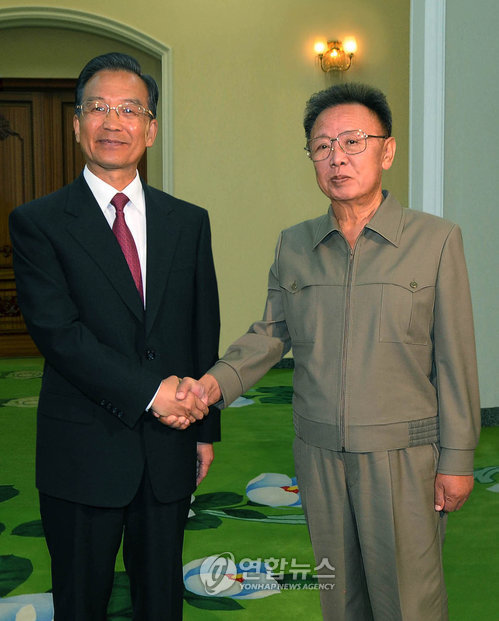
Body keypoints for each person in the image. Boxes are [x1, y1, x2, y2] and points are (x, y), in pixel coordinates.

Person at [177, 83, 480, 620]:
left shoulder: (434, 241)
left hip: (403, 456)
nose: (337, 158)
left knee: (409, 601)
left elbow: (456, 360)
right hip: (318, 456)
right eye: (322, 146)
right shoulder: (295, 245)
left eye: (353, 142)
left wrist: (457, 459)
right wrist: (211, 385)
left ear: (387, 151)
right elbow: (269, 334)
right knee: (338, 597)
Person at [9, 52, 220, 620]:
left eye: (130, 110)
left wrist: (205, 430)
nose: (113, 122)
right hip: (83, 450)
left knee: (162, 599)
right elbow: (59, 334)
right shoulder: (38, 222)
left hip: (169, 447)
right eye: (98, 108)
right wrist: (154, 393)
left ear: (150, 129)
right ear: (76, 123)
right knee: (81, 600)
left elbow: (202, 327)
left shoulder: (188, 221)